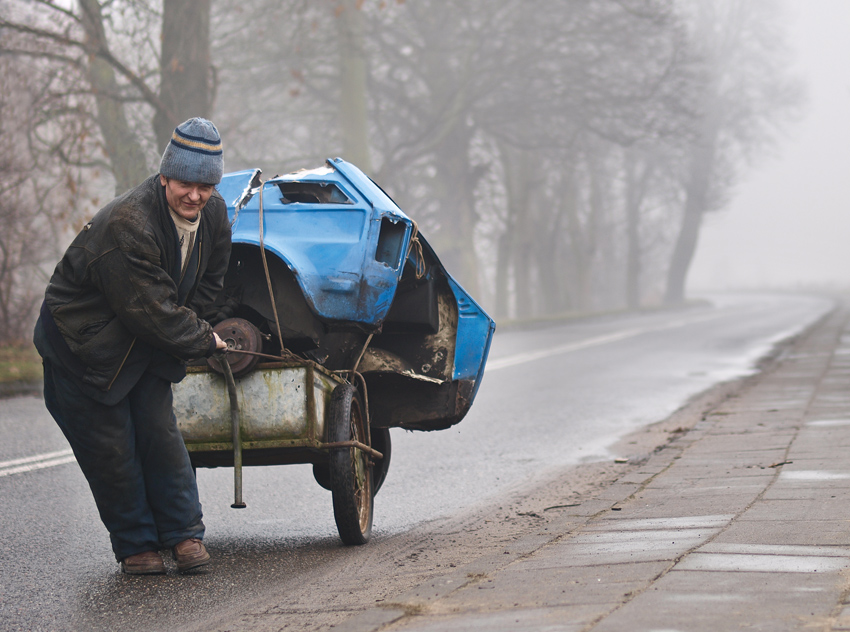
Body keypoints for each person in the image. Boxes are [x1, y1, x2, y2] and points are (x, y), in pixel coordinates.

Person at [33, 117, 232, 575]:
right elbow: (153, 310)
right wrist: (202, 338)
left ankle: (183, 535)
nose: (195, 196)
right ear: (164, 176)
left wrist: (196, 322)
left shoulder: (215, 213)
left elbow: (210, 282)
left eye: (205, 185)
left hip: (144, 338)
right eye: (185, 182)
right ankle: (138, 544)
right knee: (113, 450)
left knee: (161, 436)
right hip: (82, 346)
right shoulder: (129, 223)